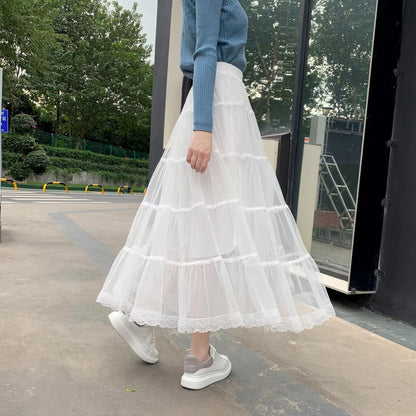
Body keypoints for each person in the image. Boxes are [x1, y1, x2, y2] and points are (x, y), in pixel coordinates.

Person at [96, 0, 336, 390]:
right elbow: (206, 50)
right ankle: (199, 358)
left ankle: (139, 317)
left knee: (202, 227)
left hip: (218, 102)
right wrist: (204, 128)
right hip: (217, 105)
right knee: (211, 232)